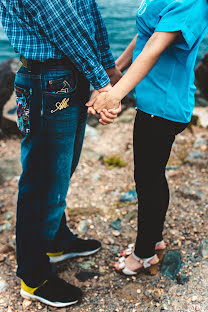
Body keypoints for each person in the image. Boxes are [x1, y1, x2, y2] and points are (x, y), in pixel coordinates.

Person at [0, 0, 122, 307]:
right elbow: (62, 23)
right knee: (42, 180)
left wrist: (106, 67)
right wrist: (102, 82)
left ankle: (55, 240)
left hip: (64, 79)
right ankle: (34, 275)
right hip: (46, 81)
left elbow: (86, 11)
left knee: (58, 171)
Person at [87, 0, 208, 275]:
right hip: (151, 100)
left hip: (163, 106)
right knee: (149, 177)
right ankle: (152, 240)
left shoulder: (191, 2)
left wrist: (113, 96)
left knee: (148, 180)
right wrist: (118, 68)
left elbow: (155, 46)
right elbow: (146, 33)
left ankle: (144, 255)